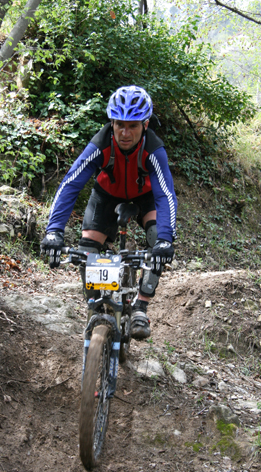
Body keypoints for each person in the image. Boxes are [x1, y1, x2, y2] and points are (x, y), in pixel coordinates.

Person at [41, 85, 177, 339]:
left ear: (144, 125)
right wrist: (53, 232)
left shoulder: (153, 150)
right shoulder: (100, 144)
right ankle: (94, 308)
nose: (125, 133)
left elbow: (165, 195)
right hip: (106, 195)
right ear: (111, 123)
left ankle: (140, 306)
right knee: (87, 248)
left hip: (145, 197)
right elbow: (71, 184)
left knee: (157, 237)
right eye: (119, 125)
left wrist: (165, 240)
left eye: (133, 126)